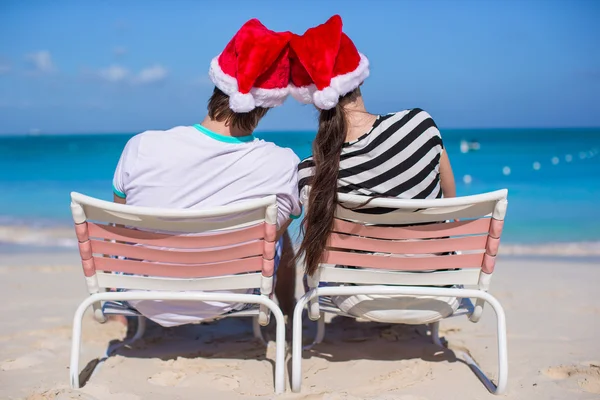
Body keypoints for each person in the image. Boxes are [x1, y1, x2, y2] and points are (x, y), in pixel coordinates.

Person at [111, 19, 300, 327]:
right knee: (278, 234)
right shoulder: (282, 163)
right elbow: (269, 244)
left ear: (217, 84)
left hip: (144, 295)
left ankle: (124, 314)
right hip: (230, 296)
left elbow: (121, 226)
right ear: (269, 105)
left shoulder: (142, 145)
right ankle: (290, 314)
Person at [289, 16, 458, 323]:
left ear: (315, 100)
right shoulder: (419, 124)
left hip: (360, 297)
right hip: (437, 286)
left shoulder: (312, 170)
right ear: (360, 77)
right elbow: (449, 205)